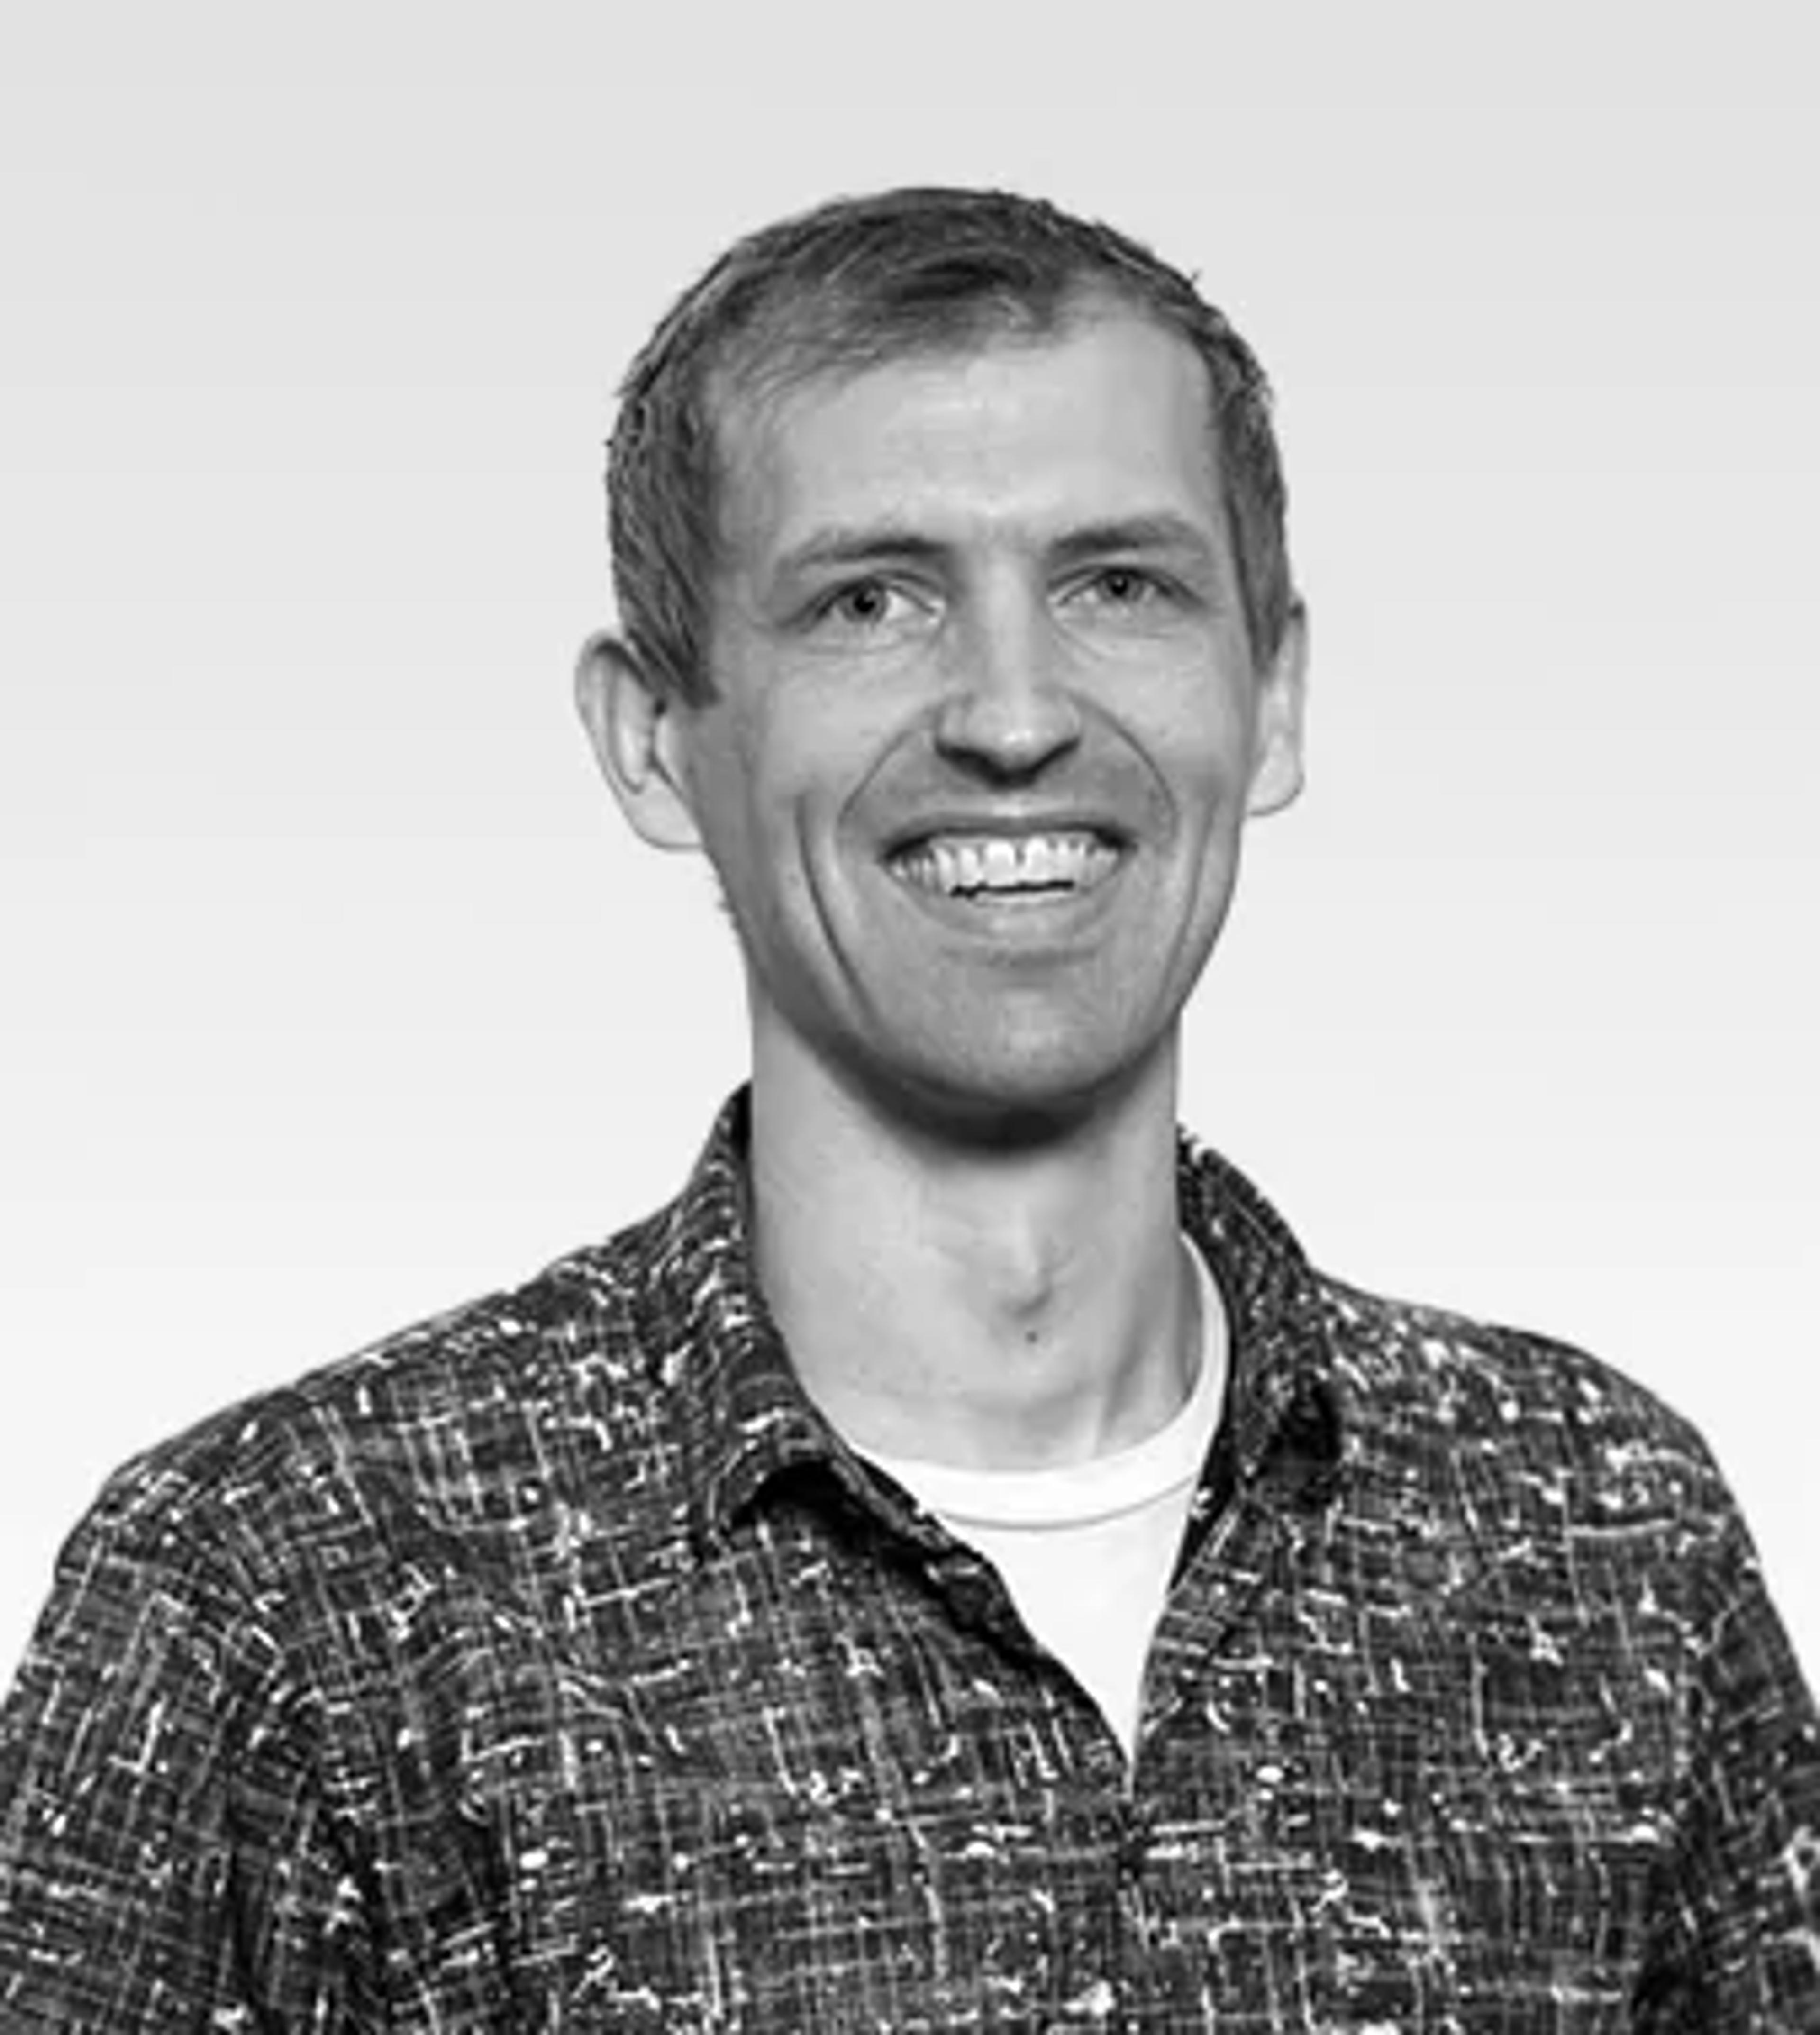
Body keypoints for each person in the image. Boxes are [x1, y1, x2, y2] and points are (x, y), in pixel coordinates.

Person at [2, 185, 1816, 2031]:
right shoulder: (286, 1600)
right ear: (653, 743)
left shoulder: (1601, 1539)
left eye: (1119, 586)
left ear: (1271, 699)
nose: (1014, 718)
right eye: (871, 600)